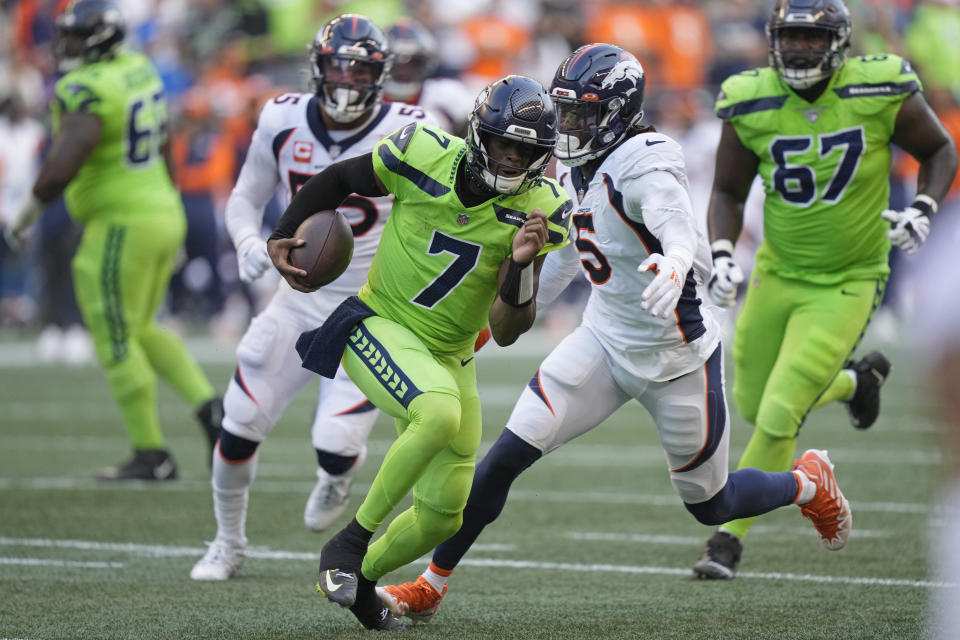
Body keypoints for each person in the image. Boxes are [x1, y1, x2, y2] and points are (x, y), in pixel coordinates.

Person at [378, 43, 854, 624]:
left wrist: (677, 260)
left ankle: (807, 483)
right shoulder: (572, 166)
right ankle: (431, 584)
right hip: (602, 342)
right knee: (502, 459)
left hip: (676, 357)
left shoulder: (645, 159)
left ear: (619, 111)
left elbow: (673, 219)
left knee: (711, 504)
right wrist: (487, 324)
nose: (569, 126)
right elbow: (561, 260)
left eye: (582, 114)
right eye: (565, 112)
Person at [267, 74, 571, 630]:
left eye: (527, 150)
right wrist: (282, 232)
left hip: (452, 354)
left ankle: (361, 586)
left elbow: (506, 330)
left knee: (442, 515)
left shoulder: (541, 207)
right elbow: (338, 179)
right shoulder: (423, 150)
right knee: (437, 412)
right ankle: (347, 545)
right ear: (480, 133)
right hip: (379, 323)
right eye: (505, 142)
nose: (511, 158)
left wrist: (523, 263)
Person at [693, 0, 958, 580]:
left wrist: (923, 205)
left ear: (839, 43)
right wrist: (720, 250)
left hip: (850, 278)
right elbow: (729, 191)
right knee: (753, 405)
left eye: (812, 39)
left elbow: (939, 149)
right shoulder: (751, 97)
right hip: (778, 273)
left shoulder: (880, 85)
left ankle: (726, 542)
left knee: (781, 414)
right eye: (790, 36)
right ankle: (855, 381)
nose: (799, 49)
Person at [188, 14, 440, 581]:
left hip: (371, 309)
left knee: (334, 444)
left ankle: (336, 474)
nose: (348, 80)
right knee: (238, 422)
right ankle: (227, 542)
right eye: (338, 67)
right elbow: (244, 197)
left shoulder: (412, 127)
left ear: (383, 75)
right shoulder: (281, 117)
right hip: (296, 299)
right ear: (316, 68)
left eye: (361, 70)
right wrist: (250, 240)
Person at [3, 0, 221, 481]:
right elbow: (165, 141)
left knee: (116, 337)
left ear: (100, 39)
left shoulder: (86, 86)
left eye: (76, 37)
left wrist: (25, 213)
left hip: (120, 223)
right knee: (143, 327)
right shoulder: (138, 68)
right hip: (162, 209)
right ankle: (213, 412)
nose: (66, 46)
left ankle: (151, 453)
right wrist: (170, 205)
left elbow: (65, 161)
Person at [383, 17, 474, 136]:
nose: (404, 70)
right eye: (396, 63)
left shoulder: (446, 95)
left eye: (414, 62)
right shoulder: (367, 101)